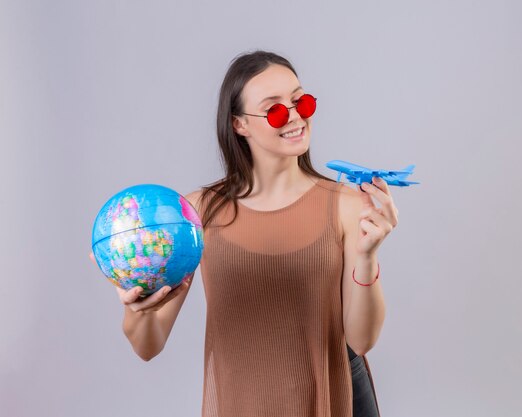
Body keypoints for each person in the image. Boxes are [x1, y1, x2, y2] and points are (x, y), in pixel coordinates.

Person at [91, 50, 399, 417]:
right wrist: (137, 309)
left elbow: (363, 340)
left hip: (332, 397)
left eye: (301, 101)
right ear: (239, 124)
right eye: (276, 110)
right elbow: (147, 346)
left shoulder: (346, 205)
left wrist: (366, 257)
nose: (296, 115)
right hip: (243, 403)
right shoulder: (194, 215)